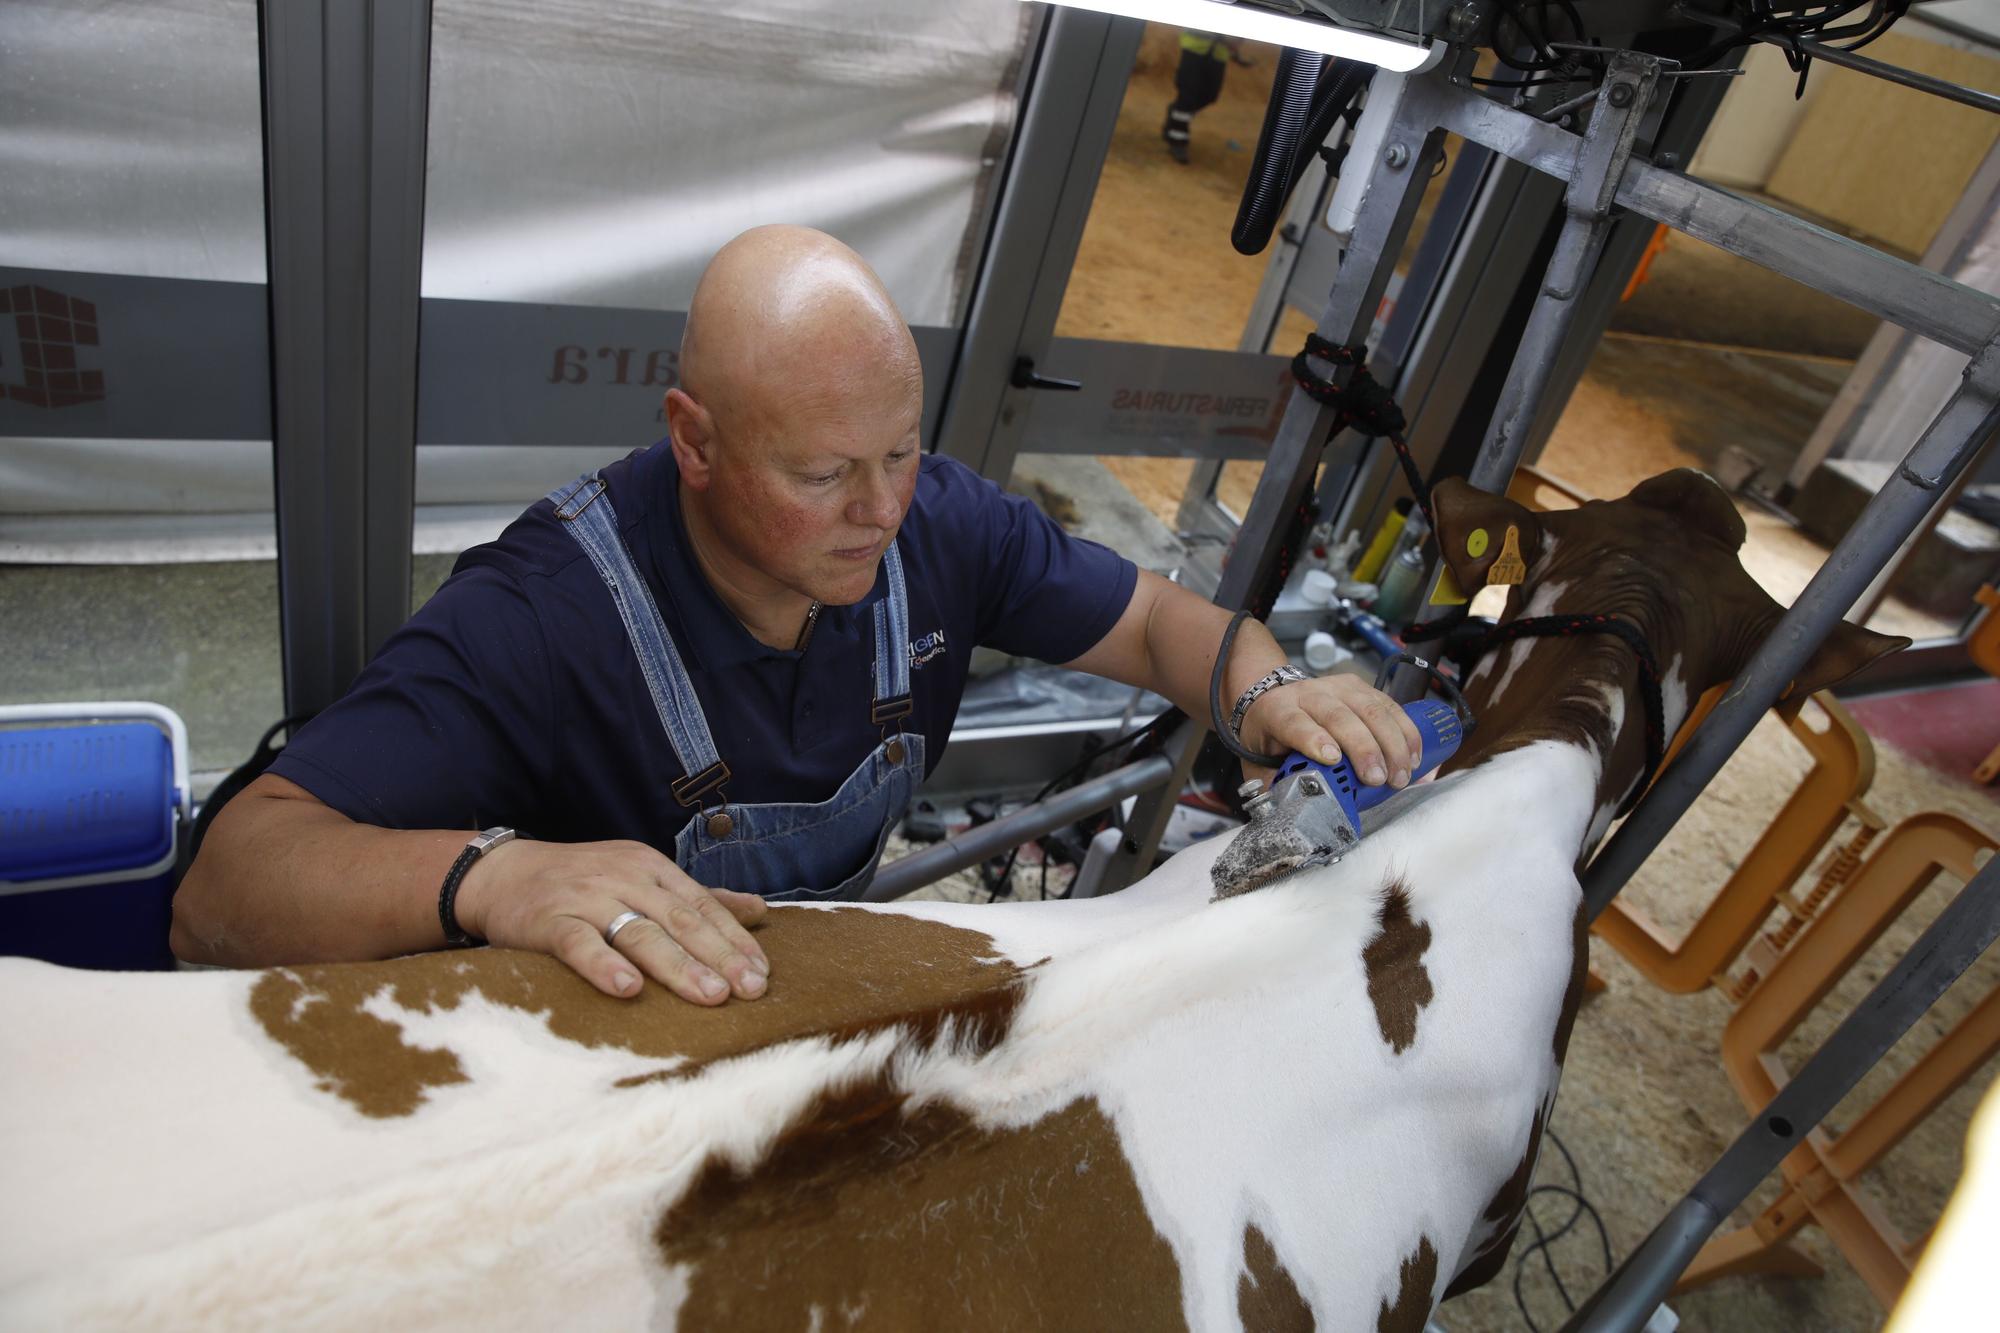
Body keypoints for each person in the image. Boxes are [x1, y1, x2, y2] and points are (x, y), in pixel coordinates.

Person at [173, 225, 1417, 1008]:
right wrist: (491, 878)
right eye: (821, 475)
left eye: (899, 450)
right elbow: (224, 888)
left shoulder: (940, 525)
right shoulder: (540, 619)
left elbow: (1153, 626)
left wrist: (1264, 688)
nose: (878, 510)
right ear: (694, 439)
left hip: (802, 1018)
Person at [1163, 30, 1250, 164]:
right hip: (1194, 48)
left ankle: (1176, 113)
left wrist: (1235, 48)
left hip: (1219, 54)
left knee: (1210, 96)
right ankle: (1177, 141)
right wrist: (1223, 38)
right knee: (1187, 96)